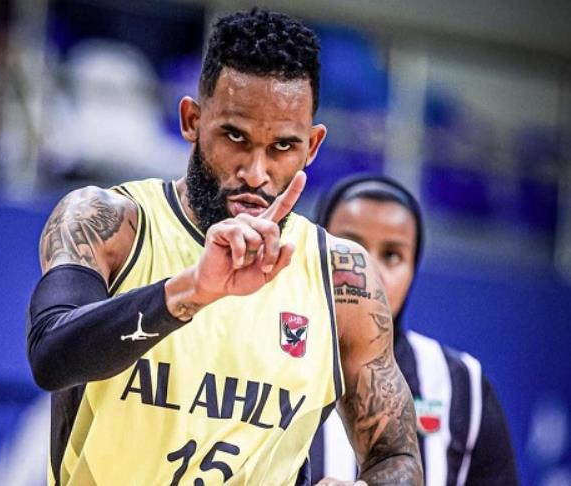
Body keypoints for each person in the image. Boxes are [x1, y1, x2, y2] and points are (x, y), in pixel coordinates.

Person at [26, 9, 422, 485]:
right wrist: (190, 292)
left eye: (282, 147)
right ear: (192, 120)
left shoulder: (340, 278)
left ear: (313, 146)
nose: (255, 173)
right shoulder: (111, 222)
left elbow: (397, 457)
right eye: (235, 137)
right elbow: (51, 355)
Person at [310, 174, 518, 485]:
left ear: (413, 269)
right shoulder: (265, 358)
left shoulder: (462, 384)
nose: (370, 271)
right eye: (350, 250)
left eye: (392, 255)